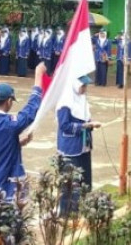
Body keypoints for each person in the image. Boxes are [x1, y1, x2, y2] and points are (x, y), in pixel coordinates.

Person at [0, 62, 46, 199]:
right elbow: (31, 109)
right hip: (9, 189)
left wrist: (16, 143)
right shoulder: (9, 125)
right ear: (9, 101)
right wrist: (38, 76)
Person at [56, 75, 101, 215]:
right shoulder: (65, 102)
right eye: (83, 86)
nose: (85, 89)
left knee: (85, 179)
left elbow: (86, 118)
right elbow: (64, 125)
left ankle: (84, 208)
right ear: (75, 85)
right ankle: (67, 213)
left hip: (84, 147)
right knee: (71, 182)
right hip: (71, 148)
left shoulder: (82, 100)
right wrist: (86, 125)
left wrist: (91, 124)